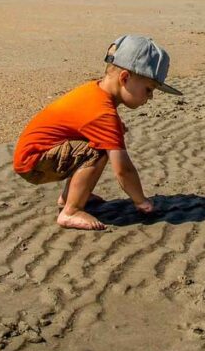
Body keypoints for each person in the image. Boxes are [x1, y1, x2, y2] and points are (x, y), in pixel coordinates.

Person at [12, 35, 182, 231]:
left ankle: (71, 196)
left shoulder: (95, 92)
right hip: (33, 161)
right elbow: (123, 170)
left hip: (36, 154)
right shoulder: (102, 113)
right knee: (98, 150)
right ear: (125, 78)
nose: (150, 97)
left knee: (100, 142)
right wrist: (141, 201)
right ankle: (71, 210)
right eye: (148, 89)